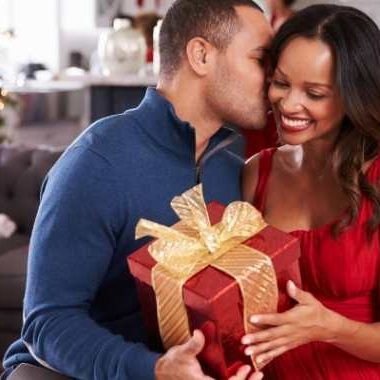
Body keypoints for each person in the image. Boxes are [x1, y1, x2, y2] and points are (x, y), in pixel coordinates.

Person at [1, 0, 272, 379]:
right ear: (201, 55)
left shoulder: (230, 168)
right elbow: (47, 324)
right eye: (260, 59)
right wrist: (155, 370)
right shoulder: (97, 161)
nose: (274, 78)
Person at [242, 4, 380, 379]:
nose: (288, 104)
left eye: (314, 93)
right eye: (281, 82)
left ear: (354, 96)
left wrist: (329, 328)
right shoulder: (257, 173)